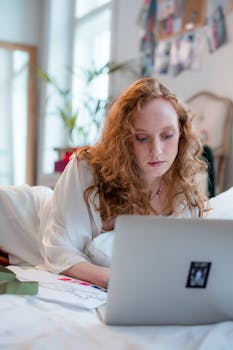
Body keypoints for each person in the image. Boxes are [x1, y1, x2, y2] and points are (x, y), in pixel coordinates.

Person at [40, 77, 207, 289]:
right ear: (124, 139)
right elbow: (57, 249)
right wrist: (113, 280)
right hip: (27, 220)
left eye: (167, 135)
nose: (156, 150)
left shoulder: (183, 183)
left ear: (181, 133)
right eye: (142, 138)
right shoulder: (85, 167)